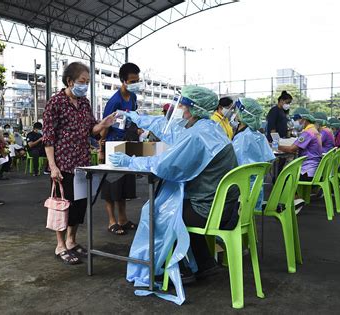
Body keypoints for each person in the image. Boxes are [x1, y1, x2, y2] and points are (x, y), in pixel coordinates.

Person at [110, 86, 239, 304]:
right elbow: (168, 128)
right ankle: (205, 263)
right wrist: (136, 117)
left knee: (156, 214)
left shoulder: (197, 135)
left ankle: (177, 268)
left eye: (182, 104)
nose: (179, 108)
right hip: (227, 205)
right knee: (171, 205)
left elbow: (165, 166)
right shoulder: (209, 127)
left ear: (193, 108)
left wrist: (130, 160)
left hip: (209, 209)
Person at [42, 61, 116, 265]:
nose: (85, 85)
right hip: (62, 163)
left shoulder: (84, 103)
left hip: (81, 163)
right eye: (82, 81)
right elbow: (48, 137)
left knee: (79, 205)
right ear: (69, 81)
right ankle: (60, 245)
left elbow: (91, 128)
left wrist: (104, 123)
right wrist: (53, 166)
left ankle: (72, 241)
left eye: (87, 82)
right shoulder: (55, 102)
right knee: (62, 205)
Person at [100, 62, 142, 235]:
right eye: (132, 81)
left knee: (124, 186)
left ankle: (123, 219)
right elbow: (104, 126)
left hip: (127, 143)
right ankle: (112, 221)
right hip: (112, 144)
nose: (135, 84)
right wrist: (101, 148)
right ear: (123, 81)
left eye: (137, 80)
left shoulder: (132, 99)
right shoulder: (114, 101)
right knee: (111, 186)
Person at [232, 98, 275, 210]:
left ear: (244, 114)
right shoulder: (258, 135)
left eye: (237, 110)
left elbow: (235, 165)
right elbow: (269, 160)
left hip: (242, 192)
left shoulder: (243, 138)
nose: (235, 113)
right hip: (255, 190)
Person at [278, 109, 322, 181]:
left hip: (307, 171)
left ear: (304, 120)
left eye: (298, 120)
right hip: (314, 168)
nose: (297, 122)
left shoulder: (308, 133)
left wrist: (277, 147)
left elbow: (292, 149)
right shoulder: (314, 131)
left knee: (283, 178)